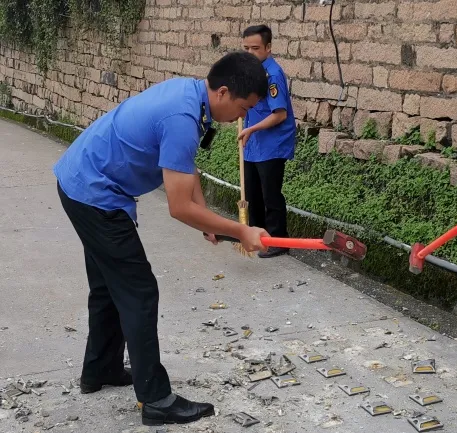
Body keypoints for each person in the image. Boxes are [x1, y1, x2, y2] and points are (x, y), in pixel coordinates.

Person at [52, 51, 270, 426]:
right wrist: (240, 230)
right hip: (94, 193)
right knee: (139, 292)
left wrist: (211, 221)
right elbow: (178, 206)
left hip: (83, 179)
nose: (242, 117)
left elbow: (185, 169)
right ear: (222, 92)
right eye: (244, 106)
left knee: (108, 286)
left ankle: (100, 370)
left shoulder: (191, 96)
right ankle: (155, 400)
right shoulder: (183, 117)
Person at [237, 24, 297, 258]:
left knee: (270, 194)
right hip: (253, 144)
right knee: (252, 193)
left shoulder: (272, 75)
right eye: (246, 48)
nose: (250, 53)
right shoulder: (252, 73)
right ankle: (257, 238)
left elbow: (279, 114)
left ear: (268, 47)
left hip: (271, 145)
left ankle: (278, 241)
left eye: (255, 48)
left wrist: (251, 128)